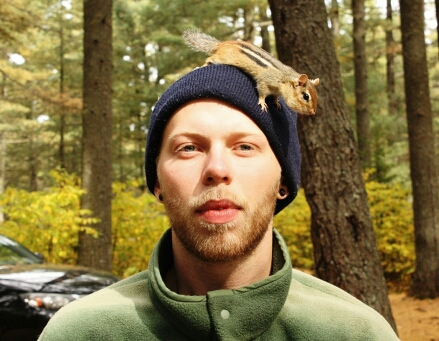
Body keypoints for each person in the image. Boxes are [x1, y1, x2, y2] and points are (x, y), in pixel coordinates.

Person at [38, 64, 399, 340]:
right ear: (158, 183)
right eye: (189, 148)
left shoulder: (357, 333)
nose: (216, 170)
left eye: (244, 146)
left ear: (283, 183)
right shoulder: (80, 333)